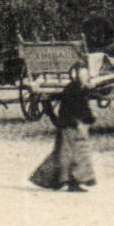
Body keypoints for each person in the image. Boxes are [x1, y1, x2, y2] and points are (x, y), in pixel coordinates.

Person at [31, 64, 97, 192]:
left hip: (73, 125)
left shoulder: (80, 89)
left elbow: (83, 107)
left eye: (86, 74)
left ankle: (58, 180)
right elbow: (68, 109)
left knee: (67, 154)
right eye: (83, 75)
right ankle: (70, 181)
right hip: (70, 125)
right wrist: (76, 122)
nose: (86, 77)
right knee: (71, 154)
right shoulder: (72, 90)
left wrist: (88, 119)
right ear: (76, 76)